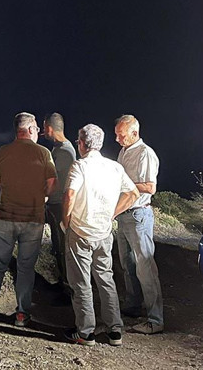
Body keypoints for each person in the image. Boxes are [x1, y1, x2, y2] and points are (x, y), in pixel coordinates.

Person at [0, 112, 57, 327]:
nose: (38, 132)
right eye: (36, 128)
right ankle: (21, 315)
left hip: (6, 218)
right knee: (26, 268)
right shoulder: (44, 153)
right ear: (28, 129)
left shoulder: (3, 151)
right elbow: (52, 184)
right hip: (33, 219)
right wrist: (38, 195)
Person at [62, 124, 139, 347]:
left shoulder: (80, 166)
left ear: (82, 144)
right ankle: (115, 330)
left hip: (80, 232)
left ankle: (85, 333)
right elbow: (133, 193)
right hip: (104, 232)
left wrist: (67, 223)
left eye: (78, 141)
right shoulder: (114, 168)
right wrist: (112, 214)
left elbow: (69, 195)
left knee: (81, 283)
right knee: (106, 278)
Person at [113, 115, 164, 335]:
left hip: (139, 215)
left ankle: (155, 320)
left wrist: (123, 184)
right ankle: (133, 306)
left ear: (134, 133)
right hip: (124, 214)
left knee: (145, 267)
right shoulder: (124, 151)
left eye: (121, 135)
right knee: (127, 263)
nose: (117, 139)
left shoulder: (145, 154)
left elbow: (150, 187)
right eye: (116, 134)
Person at [42, 112, 77, 288]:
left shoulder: (63, 151)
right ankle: (66, 284)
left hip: (59, 206)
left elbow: (54, 180)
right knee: (59, 247)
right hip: (56, 204)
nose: (43, 132)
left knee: (63, 249)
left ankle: (68, 287)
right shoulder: (60, 148)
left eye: (43, 128)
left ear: (49, 128)